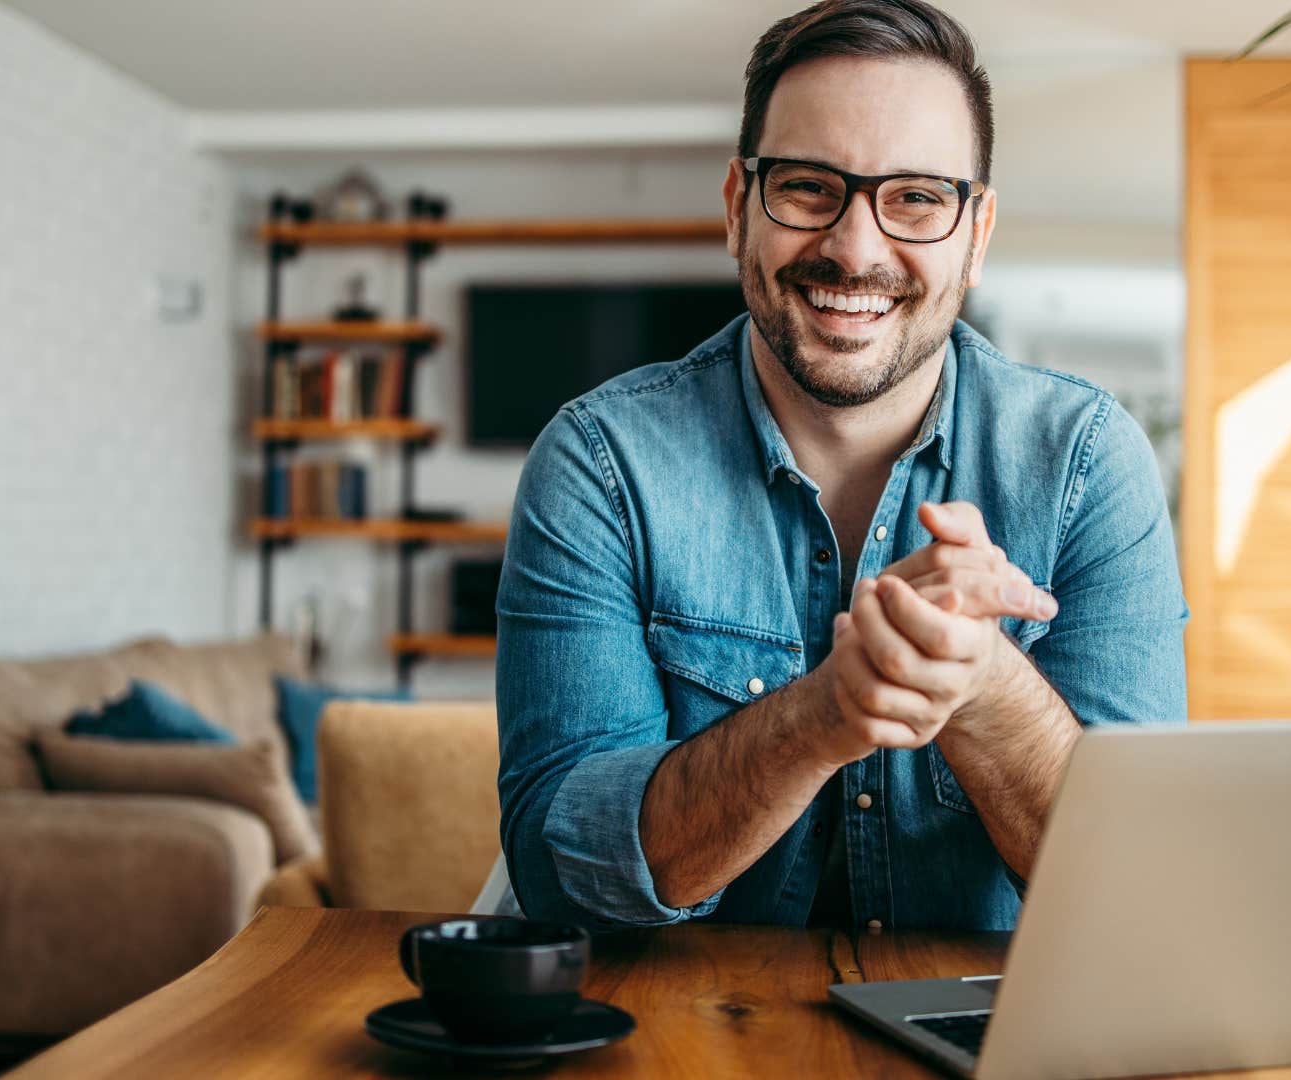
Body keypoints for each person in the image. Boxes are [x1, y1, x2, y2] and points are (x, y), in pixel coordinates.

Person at [495, 0, 1186, 932]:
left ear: (975, 235)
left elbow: (1139, 893)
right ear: (740, 209)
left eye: (916, 197)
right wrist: (824, 714)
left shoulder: (1089, 463)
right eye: (811, 187)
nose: (856, 249)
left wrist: (983, 686)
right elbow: (564, 878)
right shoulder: (599, 462)